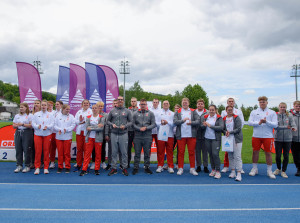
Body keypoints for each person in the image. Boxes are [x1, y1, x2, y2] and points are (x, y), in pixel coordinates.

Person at [248, 96, 278, 179]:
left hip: (267, 136)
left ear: (267, 102)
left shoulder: (272, 112)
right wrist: (259, 122)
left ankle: (269, 171)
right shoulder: (254, 111)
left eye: (264, 101)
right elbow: (250, 122)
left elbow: (275, 124)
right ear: (259, 103)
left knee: (268, 153)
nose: (262, 103)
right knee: (255, 152)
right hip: (256, 135)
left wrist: (266, 122)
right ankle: (254, 168)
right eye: (261, 102)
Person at [106, 96, 132, 176]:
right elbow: (107, 121)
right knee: (114, 152)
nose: (120, 101)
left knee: (124, 152)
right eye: (119, 100)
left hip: (123, 134)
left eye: (121, 100)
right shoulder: (112, 111)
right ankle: (114, 168)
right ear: (117, 101)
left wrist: (125, 126)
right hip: (113, 133)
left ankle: (124, 167)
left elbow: (131, 122)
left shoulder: (127, 111)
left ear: (123, 101)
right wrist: (112, 124)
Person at [174, 98, 199, 176]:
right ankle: (180, 168)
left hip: (191, 135)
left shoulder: (193, 111)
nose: (185, 103)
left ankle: (192, 168)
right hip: (181, 136)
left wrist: (192, 122)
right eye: (183, 102)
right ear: (181, 103)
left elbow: (198, 121)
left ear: (188, 103)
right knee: (181, 152)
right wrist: (182, 121)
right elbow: (175, 122)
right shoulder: (178, 111)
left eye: (186, 102)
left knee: (191, 152)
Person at [132, 98, 156, 175]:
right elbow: (132, 124)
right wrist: (139, 128)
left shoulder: (151, 113)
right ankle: (136, 167)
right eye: (141, 104)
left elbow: (153, 124)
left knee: (146, 153)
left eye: (144, 104)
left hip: (147, 136)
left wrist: (146, 128)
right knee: (137, 153)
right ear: (139, 105)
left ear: (146, 105)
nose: (143, 105)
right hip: (138, 136)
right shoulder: (135, 114)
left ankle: (147, 167)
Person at [80, 104, 105, 176]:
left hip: (98, 138)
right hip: (89, 138)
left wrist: (92, 128)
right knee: (87, 154)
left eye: (95, 108)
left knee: (98, 154)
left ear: (98, 109)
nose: (94, 109)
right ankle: (84, 169)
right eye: (93, 108)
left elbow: (101, 128)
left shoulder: (101, 117)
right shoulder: (88, 117)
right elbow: (87, 127)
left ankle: (96, 169)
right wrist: (96, 126)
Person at [221, 98, 245, 173]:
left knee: (237, 154)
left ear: (234, 103)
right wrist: (226, 132)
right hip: (228, 136)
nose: (231, 102)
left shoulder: (238, 112)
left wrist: (233, 131)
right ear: (227, 102)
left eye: (232, 101)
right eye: (229, 101)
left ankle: (239, 169)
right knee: (228, 154)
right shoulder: (223, 112)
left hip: (236, 136)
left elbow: (241, 123)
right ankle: (227, 167)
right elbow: (222, 125)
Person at [273, 102, 297, 178]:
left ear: (286, 108)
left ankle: (283, 171)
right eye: (281, 107)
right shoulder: (275, 115)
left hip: (288, 139)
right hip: (278, 138)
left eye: (284, 107)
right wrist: (286, 127)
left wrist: (293, 128)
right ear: (279, 107)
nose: (282, 108)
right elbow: (276, 126)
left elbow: (293, 125)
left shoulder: (289, 115)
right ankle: (278, 168)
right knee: (278, 155)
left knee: (286, 156)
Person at [31, 100, 54, 175]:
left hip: (47, 134)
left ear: (47, 106)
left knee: (46, 151)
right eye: (42, 105)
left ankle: (46, 167)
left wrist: (47, 127)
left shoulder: (50, 115)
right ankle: (37, 167)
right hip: (38, 134)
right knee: (38, 151)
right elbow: (33, 123)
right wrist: (38, 126)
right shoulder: (36, 114)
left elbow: (52, 124)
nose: (43, 106)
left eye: (45, 105)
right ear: (40, 106)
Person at [201, 105, 224, 179]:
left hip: (215, 139)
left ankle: (218, 171)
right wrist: (204, 125)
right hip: (207, 138)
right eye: (210, 110)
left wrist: (210, 125)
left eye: (213, 110)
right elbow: (202, 127)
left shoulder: (219, 117)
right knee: (210, 154)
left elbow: (221, 127)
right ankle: (213, 169)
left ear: (215, 110)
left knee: (215, 154)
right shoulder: (206, 117)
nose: (211, 111)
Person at [13, 103, 34, 173]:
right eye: (20, 107)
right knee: (18, 149)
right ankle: (19, 165)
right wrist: (16, 125)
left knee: (27, 149)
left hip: (27, 132)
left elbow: (31, 125)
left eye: (22, 107)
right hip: (18, 132)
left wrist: (22, 124)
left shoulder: (30, 115)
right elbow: (13, 126)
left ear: (26, 108)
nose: (21, 108)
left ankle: (27, 165)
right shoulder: (17, 115)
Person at [54, 104, 75, 173]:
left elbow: (73, 125)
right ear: (62, 109)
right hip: (59, 137)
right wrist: (59, 129)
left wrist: (67, 129)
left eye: (69, 109)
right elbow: (54, 125)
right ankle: (60, 166)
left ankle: (67, 166)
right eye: (67, 109)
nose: (68, 110)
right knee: (60, 153)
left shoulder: (71, 116)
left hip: (67, 137)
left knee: (67, 153)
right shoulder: (57, 116)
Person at [156, 100, 175, 174]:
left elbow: (174, 124)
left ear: (169, 105)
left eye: (167, 103)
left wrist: (168, 123)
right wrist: (160, 123)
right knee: (160, 151)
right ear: (162, 105)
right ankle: (160, 166)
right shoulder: (159, 113)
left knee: (169, 151)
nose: (165, 105)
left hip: (170, 135)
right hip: (161, 135)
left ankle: (170, 166)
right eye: (164, 104)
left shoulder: (172, 114)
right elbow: (155, 123)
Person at [74, 99, 92, 171]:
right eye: (84, 103)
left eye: (87, 103)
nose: (85, 104)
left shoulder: (90, 111)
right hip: (79, 132)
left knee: (86, 149)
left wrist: (84, 121)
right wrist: (80, 121)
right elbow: (75, 121)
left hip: (86, 132)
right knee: (79, 149)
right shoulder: (79, 111)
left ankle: (86, 163)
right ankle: (78, 164)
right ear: (82, 104)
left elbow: (91, 120)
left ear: (89, 104)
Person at [91, 101, 108, 170]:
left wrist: (106, 134)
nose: (100, 107)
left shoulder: (105, 115)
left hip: (102, 134)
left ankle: (103, 162)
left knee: (102, 149)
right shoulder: (93, 114)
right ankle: (93, 162)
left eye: (101, 106)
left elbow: (106, 125)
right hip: (94, 134)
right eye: (99, 106)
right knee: (94, 149)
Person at [195, 99, 209, 173]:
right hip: (196, 135)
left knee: (205, 152)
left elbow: (208, 122)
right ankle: (198, 166)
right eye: (199, 104)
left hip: (205, 135)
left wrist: (204, 125)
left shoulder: (207, 112)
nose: (200, 105)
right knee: (197, 152)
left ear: (204, 105)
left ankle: (205, 166)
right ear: (196, 105)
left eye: (201, 104)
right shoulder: (194, 112)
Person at [127, 97, 139, 168]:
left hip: (136, 132)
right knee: (128, 148)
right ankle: (127, 163)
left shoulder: (139, 110)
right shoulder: (127, 110)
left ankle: (136, 163)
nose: (133, 102)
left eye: (134, 101)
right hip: (128, 131)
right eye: (132, 101)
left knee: (137, 148)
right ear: (130, 102)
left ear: (136, 102)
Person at [289, 100, 300, 176]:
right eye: (297, 106)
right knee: (295, 154)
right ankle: (298, 168)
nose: (298, 107)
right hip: (293, 137)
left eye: (299, 106)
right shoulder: (290, 114)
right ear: (293, 106)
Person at [30, 99, 41, 169]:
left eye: (37, 103)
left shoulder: (43, 113)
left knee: (40, 148)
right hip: (31, 132)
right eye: (35, 103)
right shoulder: (31, 113)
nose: (36, 104)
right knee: (32, 147)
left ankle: (41, 162)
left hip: (40, 132)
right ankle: (32, 162)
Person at [173, 104, 181, 169]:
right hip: (172, 135)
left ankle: (178, 163)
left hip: (179, 134)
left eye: (178, 108)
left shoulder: (181, 115)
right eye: (175, 108)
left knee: (179, 150)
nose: (176, 109)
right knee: (170, 150)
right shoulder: (171, 115)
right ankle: (169, 164)